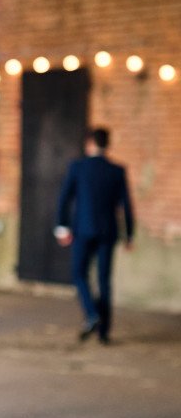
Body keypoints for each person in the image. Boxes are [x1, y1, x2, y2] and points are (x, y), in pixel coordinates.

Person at [54, 127, 134, 345]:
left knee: (79, 273)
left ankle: (91, 313)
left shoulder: (78, 168)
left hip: (83, 231)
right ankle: (104, 333)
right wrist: (129, 235)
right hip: (108, 232)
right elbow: (127, 206)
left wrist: (62, 227)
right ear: (108, 144)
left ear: (90, 143)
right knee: (104, 280)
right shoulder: (117, 171)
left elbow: (64, 198)